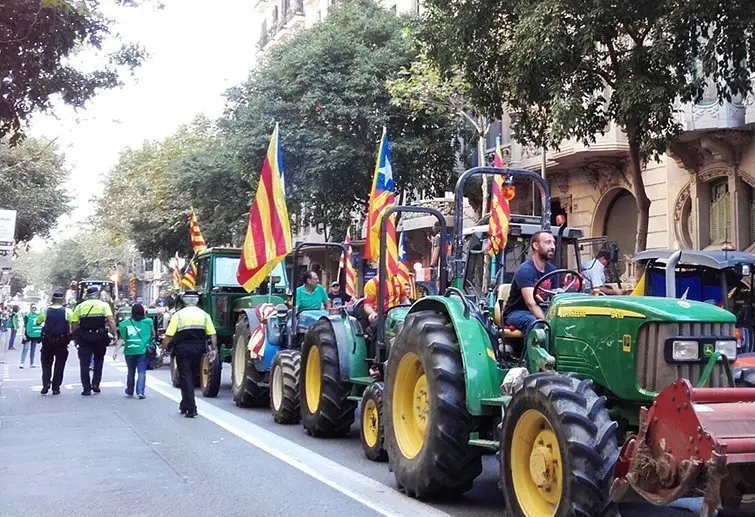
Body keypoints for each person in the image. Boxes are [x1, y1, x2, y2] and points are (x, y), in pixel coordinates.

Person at [161, 291, 216, 418]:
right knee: (191, 376)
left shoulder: (178, 315)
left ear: (184, 300)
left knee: (186, 377)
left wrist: (164, 348)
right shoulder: (205, 315)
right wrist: (213, 350)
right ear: (197, 300)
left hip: (182, 349)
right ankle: (184, 404)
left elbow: (169, 335)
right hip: (199, 350)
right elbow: (212, 334)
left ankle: (191, 408)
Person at [503, 231, 558, 336]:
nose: (552, 246)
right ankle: (529, 352)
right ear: (536, 245)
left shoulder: (553, 270)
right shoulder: (525, 270)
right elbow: (531, 304)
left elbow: (556, 297)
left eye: (553, 243)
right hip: (515, 312)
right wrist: (547, 322)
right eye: (548, 242)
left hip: (541, 308)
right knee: (535, 323)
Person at [70, 286, 117, 396]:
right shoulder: (104, 305)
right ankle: (96, 384)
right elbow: (110, 320)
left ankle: (86, 388)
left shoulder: (80, 307)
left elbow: (74, 323)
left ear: (87, 295)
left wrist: (75, 336)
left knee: (84, 363)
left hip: (84, 337)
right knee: (98, 361)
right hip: (100, 337)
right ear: (97, 294)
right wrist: (115, 333)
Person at [115, 303, 154, 399]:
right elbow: (153, 334)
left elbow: (122, 339)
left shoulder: (124, 323)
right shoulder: (148, 321)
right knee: (142, 371)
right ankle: (140, 391)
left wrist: (116, 351)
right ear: (143, 312)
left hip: (130, 350)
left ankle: (129, 390)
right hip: (143, 349)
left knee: (131, 371)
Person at [37, 292, 72, 395]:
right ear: (62, 300)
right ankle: (56, 387)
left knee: (46, 363)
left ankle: (46, 383)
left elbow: (38, 322)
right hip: (62, 342)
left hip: (47, 341)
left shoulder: (45, 311)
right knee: (59, 364)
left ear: (52, 300)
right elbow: (74, 322)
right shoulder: (67, 311)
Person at [20, 303, 43, 368]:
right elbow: (24, 326)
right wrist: (23, 334)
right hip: (28, 334)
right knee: (25, 348)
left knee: (33, 349)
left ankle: (31, 363)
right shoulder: (27, 316)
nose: (34, 309)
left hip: (35, 334)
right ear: (30, 308)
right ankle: (22, 362)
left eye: (35, 308)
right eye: (33, 308)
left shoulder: (38, 316)